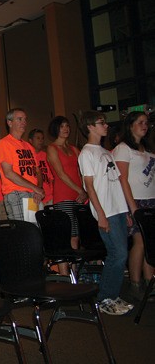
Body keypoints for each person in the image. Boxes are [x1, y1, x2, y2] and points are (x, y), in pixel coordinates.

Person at [78, 111, 133, 315]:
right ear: (90, 127)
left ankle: (112, 295)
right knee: (118, 254)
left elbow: (117, 183)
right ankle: (104, 298)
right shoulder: (87, 153)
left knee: (120, 254)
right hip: (106, 211)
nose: (106, 126)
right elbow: (90, 187)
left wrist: (126, 211)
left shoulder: (105, 152)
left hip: (118, 209)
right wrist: (100, 214)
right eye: (101, 122)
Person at [112, 111, 155, 300]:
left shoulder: (147, 149)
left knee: (151, 243)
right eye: (140, 122)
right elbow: (123, 179)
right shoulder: (123, 148)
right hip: (135, 200)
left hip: (151, 199)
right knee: (140, 241)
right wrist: (132, 207)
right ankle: (135, 283)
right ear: (130, 125)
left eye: (146, 122)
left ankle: (149, 281)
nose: (144, 125)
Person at [46, 116, 87, 272]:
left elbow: (81, 171)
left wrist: (84, 189)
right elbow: (60, 173)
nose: (66, 129)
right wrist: (80, 190)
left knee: (76, 237)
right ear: (56, 129)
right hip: (63, 195)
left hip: (79, 195)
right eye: (62, 126)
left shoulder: (74, 149)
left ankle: (74, 273)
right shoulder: (52, 148)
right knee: (67, 236)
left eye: (67, 126)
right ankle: (64, 274)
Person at [0, 108, 44, 220]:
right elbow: (8, 173)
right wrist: (35, 188)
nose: (24, 122)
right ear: (9, 122)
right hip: (16, 192)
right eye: (19, 119)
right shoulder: (5, 143)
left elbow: (37, 172)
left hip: (32, 193)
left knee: (34, 229)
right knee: (25, 231)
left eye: (25, 119)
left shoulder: (29, 147)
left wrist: (38, 189)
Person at [28, 129, 53, 205]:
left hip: (49, 196)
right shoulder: (28, 157)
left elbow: (51, 177)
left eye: (42, 138)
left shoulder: (46, 155)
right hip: (34, 197)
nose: (41, 141)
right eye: (38, 138)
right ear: (31, 141)